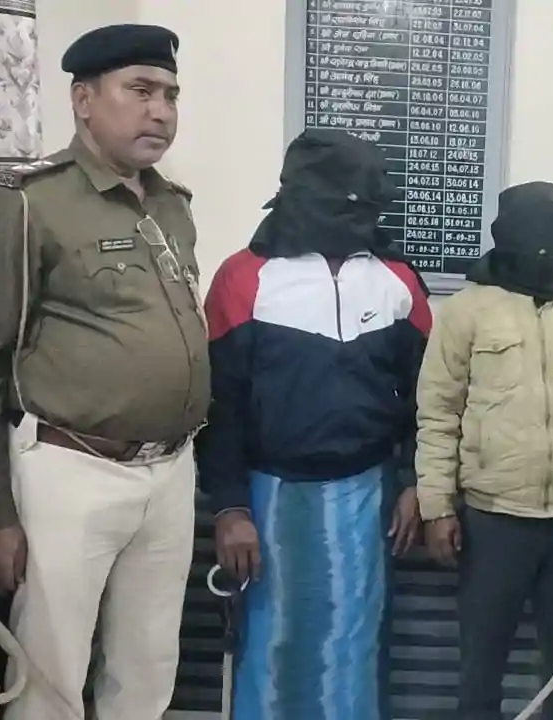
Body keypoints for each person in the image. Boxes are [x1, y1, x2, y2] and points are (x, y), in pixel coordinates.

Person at [0, 24, 206, 719]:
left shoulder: (172, 205)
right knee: (50, 676)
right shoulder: (28, 205)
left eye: (170, 95)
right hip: (70, 471)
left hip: (170, 470)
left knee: (148, 669)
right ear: (84, 100)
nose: (160, 111)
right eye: (141, 91)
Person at [195, 129, 431, 718]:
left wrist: (414, 481)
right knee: (273, 646)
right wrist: (229, 508)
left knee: (355, 645)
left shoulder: (398, 280)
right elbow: (217, 406)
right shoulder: (244, 277)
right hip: (268, 500)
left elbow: (427, 398)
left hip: (368, 498)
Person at [415, 181, 553, 720]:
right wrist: (437, 508)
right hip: (492, 520)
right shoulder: (466, 313)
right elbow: (438, 415)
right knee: (480, 667)